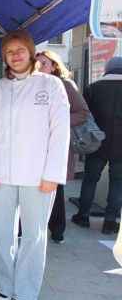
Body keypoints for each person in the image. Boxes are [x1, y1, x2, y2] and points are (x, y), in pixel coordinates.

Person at [0, 30, 69, 300]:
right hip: (1, 175)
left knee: (33, 235)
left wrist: (52, 174)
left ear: (31, 53)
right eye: (9, 51)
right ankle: (4, 286)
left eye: (20, 50)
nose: (15, 55)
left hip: (38, 176)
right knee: (2, 233)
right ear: (4, 57)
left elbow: (60, 132)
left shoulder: (51, 86)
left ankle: (26, 291)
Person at [37, 50, 89, 243]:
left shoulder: (64, 85)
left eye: (44, 63)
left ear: (54, 66)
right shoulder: (31, 85)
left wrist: (57, 121)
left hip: (57, 145)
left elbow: (82, 112)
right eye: (37, 63)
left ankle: (57, 231)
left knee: (55, 189)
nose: (40, 67)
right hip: (34, 147)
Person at [72, 56, 122, 235]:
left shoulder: (94, 88)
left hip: (96, 141)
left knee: (90, 179)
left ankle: (83, 216)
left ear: (108, 69)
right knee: (118, 183)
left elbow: (84, 115)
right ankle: (110, 221)